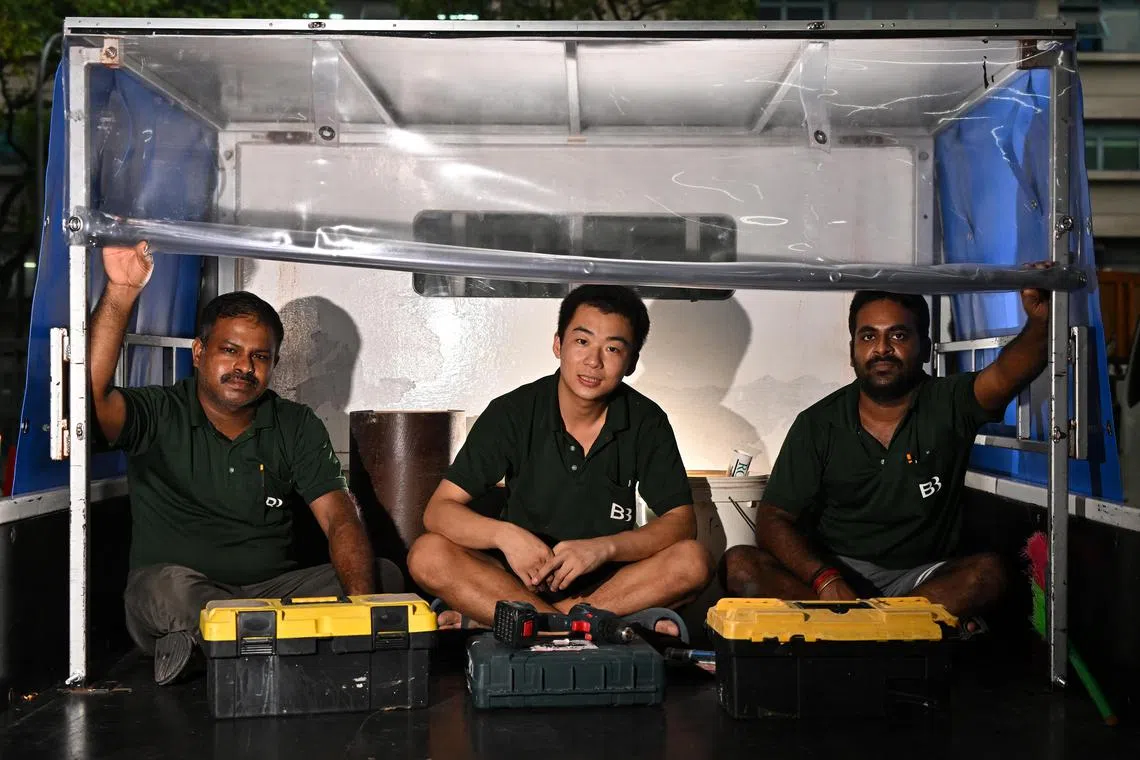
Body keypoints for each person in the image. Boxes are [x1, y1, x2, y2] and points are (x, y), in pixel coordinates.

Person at [91, 242, 392, 685]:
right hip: (185, 593)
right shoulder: (158, 411)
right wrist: (121, 291)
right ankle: (266, 644)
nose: (243, 367)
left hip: (271, 600)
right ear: (199, 352)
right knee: (161, 590)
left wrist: (362, 612)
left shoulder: (294, 423)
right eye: (229, 351)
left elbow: (339, 519)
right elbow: (89, 398)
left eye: (259, 356)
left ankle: (219, 649)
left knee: (381, 575)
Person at [721, 286, 1051, 623]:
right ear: (852, 351)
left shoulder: (949, 402)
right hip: (833, 579)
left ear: (923, 347)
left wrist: (1040, 323)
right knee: (741, 566)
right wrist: (825, 579)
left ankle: (858, 631)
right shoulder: (818, 424)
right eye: (867, 337)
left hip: (922, 581)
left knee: (988, 574)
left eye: (898, 335)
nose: (881, 349)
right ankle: (886, 632)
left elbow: (1007, 375)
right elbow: (772, 519)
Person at [407, 285, 712, 637]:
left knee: (693, 561)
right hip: (516, 584)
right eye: (582, 342)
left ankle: (525, 625)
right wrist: (505, 536)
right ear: (558, 345)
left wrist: (604, 548)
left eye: (612, 348)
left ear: (630, 363)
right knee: (427, 554)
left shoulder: (646, 419)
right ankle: (581, 628)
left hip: (608, 587)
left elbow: (681, 523)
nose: (593, 361)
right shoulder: (513, 412)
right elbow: (439, 511)